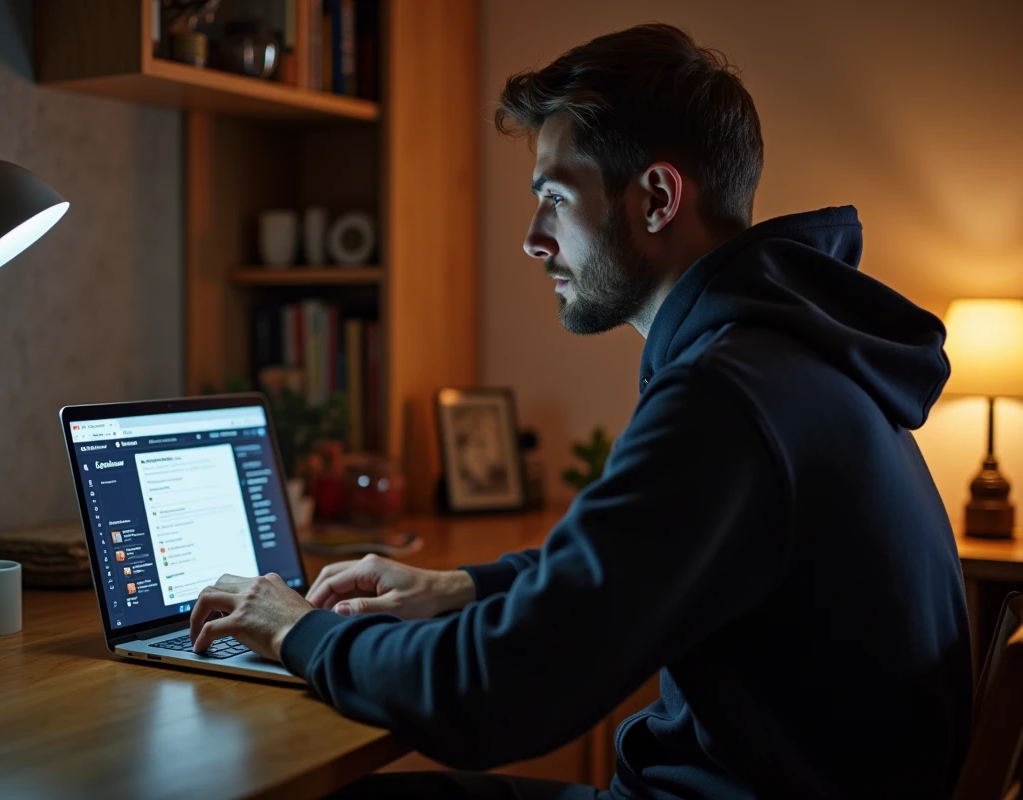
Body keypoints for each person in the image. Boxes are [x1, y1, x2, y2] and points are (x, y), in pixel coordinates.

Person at [188, 23, 972, 799]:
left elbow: (493, 694)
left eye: (554, 198)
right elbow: (632, 567)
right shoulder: (792, 357)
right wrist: (460, 585)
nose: (533, 239)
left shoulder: (727, 397)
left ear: (658, 198)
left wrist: (297, 629)